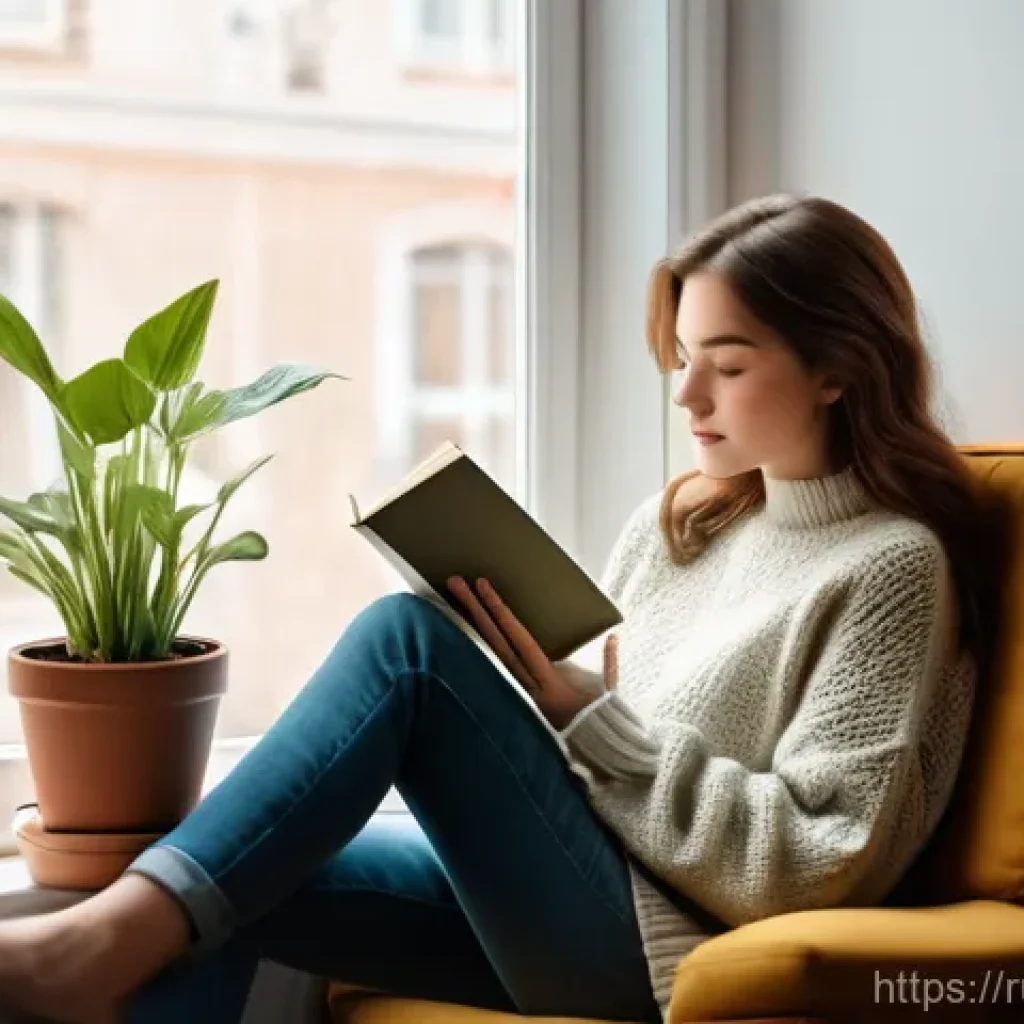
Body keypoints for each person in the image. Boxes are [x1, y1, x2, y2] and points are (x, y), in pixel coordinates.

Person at [0, 194, 1000, 1024]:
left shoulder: (890, 568)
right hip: (574, 895)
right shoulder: (678, 531)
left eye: (728, 364)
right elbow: (610, 778)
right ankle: (112, 948)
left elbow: (812, 866)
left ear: (837, 369)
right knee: (242, 881)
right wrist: (558, 707)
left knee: (409, 645)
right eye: (681, 356)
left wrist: (586, 718)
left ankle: (91, 946)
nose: (686, 392)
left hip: (670, 954)